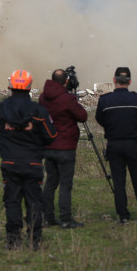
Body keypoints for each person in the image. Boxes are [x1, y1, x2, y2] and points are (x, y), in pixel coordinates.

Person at [0, 69, 57, 250]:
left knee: (12, 202)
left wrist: (10, 124)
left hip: (10, 163)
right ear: (29, 87)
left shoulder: (2, 109)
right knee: (34, 202)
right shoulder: (39, 112)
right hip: (33, 164)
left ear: (10, 85)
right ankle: (35, 241)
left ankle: (13, 241)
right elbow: (51, 135)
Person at [95, 66, 137, 225]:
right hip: (133, 145)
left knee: (119, 183)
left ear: (114, 80)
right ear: (130, 81)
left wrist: (112, 128)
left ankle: (123, 217)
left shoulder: (105, 100)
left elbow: (100, 118)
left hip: (114, 145)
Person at [38, 68, 88, 228]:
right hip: (65, 147)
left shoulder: (43, 98)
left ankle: (48, 217)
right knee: (66, 183)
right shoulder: (67, 99)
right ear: (66, 81)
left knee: (51, 182)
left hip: (49, 145)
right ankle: (66, 219)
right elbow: (82, 116)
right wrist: (74, 98)